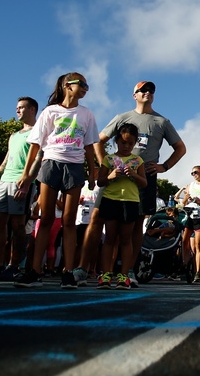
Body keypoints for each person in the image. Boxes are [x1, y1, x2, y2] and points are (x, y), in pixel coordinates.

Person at [96, 81, 186, 287]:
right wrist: (105, 166)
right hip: (115, 179)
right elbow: (98, 140)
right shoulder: (122, 118)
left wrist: (164, 166)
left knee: (136, 225)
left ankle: (129, 271)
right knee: (108, 227)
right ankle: (105, 272)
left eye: (152, 91)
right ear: (134, 94)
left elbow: (180, 147)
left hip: (143, 177)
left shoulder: (161, 121)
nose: (148, 93)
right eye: (143, 90)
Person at [14, 72, 100, 288]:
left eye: (86, 86)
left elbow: (89, 145)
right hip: (51, 163)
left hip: (74, 166)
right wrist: (26, 174)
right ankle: (34, 271)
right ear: (67, 86)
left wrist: (92, 172)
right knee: (46, 218)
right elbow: (35, 144)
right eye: (81, 84)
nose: (85, 88)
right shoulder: (50, 112)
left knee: (70, 220)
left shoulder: (86, 114)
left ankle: (68, 272)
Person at [0, 97, 40, 281]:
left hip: (21, 182)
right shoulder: (14, 135)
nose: (17, 111)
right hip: (5, 182)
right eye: (16, 108)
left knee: (18, 225)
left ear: (32, 110)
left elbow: (38, 159)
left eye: (21, 107)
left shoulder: (38, 132)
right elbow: (6, 160)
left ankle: (13, 266)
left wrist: (28, 181)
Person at [93, 122, 146, 290]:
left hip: (130, 201)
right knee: (109, 238)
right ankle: (106, 274)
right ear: (117, 141)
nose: (127, 146)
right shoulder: (109, 159)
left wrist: (134, 175)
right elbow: (100, 181)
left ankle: (124, 275)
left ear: (135, 143)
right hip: (110, 200)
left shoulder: (138, 160)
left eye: (131, 143)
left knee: (126, 239)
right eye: (123, 143)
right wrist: (111, 175)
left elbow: (144, 183)